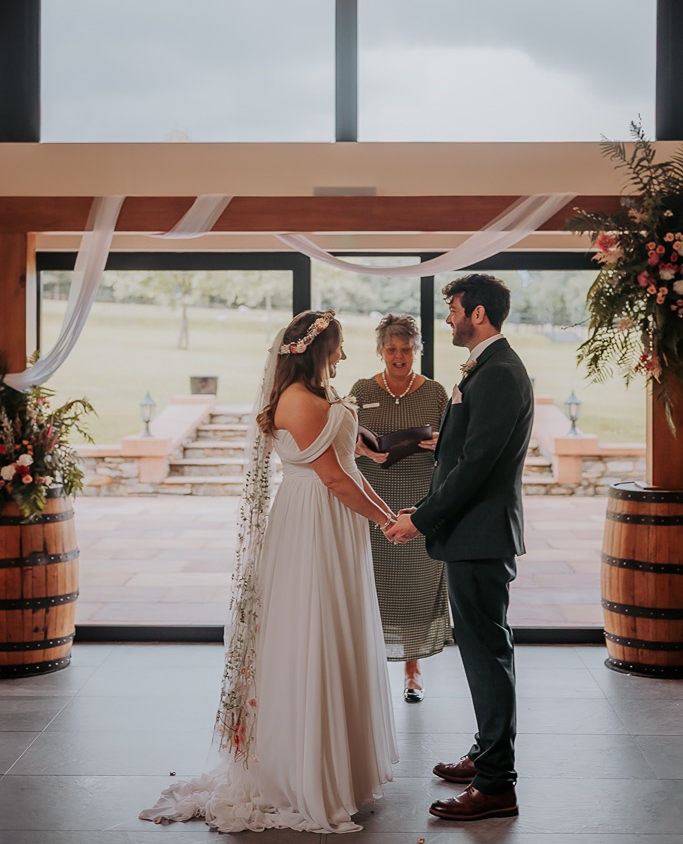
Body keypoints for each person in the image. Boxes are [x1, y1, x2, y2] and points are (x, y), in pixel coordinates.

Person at [140, 309, 399, 834]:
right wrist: (385, 520)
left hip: (334, 519)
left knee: (337, 630)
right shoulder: (300, 401)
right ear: (316, 349)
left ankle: (338, 769)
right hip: (312, 523)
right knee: (312, 632)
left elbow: (349, 471)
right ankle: (303, 775)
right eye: (339, 345)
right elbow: (333, 480)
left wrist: (387, 516)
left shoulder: (319, 397)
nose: (345, 355)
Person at [387, 274, 533, 822]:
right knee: (484, 652)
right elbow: (456, 458)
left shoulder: (498, 374)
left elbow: (476, 466)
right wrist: (421, 509)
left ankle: (496, 784)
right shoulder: (489, 367)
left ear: (477, 314)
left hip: (479, 535)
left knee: (486, 656)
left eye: (452, 310)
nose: (447, 319)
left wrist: (421, 520)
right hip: (472, 533)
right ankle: (485, 754)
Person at [350, 314, 450, 703]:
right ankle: (367, 669)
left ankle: (413, 669)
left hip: (418, 500)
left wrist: (439, 442)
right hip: (370, 496)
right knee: (369, 583)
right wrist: (358, 448)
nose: (398, 356)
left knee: (414, 583)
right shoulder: (360, 388)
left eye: (406, 349)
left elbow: (456, 449)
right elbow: (342, 436)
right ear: (380, 351)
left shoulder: (435, 393)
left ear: (416, 350)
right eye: (391, 349)